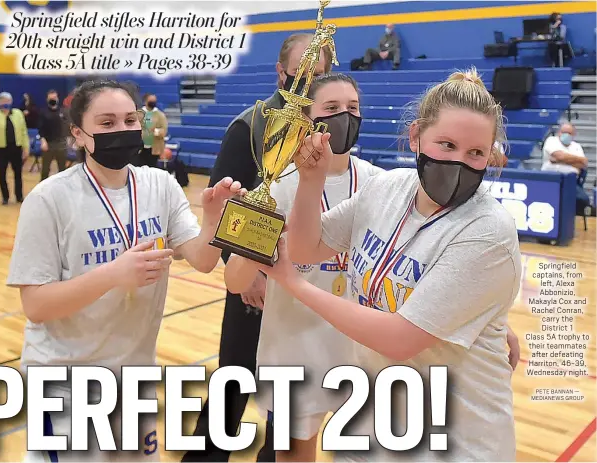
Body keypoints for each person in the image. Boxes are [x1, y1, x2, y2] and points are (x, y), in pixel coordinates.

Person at [258, 68, 522, 461]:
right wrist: (311, 182)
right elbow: (306, 248)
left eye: (475, 153)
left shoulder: (488, 233)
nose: (459, 162)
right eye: (446, 144)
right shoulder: (388, 187)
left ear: (491, 156)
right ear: (416, 136)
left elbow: (399, 339)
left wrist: (296, 286)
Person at [7, 79, 245, 462]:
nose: (122, 130)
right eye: (106, 123)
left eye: (129, 120)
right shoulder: (49, 198)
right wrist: (114, 275)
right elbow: (35, 305)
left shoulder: (160, 184)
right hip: (66, 386)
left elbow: (202, 260)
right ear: (79, 134)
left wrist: (214, 220)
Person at [181, 33, 333, 463]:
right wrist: (245, 270)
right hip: (254, 285)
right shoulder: (248, 127)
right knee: (233, 384)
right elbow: (224, 204)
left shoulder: (324, 129)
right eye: (301, 71)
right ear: (280, 71)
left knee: (287, 392)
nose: (309, 80)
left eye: (318, 74)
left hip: (304, 286)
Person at [223, 73, 382, 462]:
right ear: (308, 119)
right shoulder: (280, 185)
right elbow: (235, 281)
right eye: (332, 109)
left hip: (363, 350)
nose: (345, 116)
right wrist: (248, 241)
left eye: (353, 108)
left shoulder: (380, 183)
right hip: (296, 349)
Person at [0, 92, 29, 204]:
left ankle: (19, 196)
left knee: (18, 173)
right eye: (3, 101)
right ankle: (5, 197)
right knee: (2, 173)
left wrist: (26, 148)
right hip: (1, 149)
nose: (6, 103)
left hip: (16, 147)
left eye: (8, 101)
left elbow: (24, 132)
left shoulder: (18, 114)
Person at [39, 89, 68, 180]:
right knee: (45, 170)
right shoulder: (43, 113)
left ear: (58, 99)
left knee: (63, 171)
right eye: (51, 98)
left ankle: (62, 191)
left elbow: (68, 126)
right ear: (47, 99)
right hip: (48, 144)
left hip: (61, 144)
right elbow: (40, 129)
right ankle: (42, 191)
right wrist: (43, 141)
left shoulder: (63, 112)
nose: (53, 100)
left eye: (54, 97)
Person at [135, 92, 168, 168]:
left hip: (154, 148)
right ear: (145, 101)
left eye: (154, 101)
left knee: (151, 169)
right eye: (151, 100)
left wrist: (155, 131)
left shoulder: (160, 115)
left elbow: (164, 130)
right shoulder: (139, 114)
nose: (153, 102)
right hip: (140, 148)